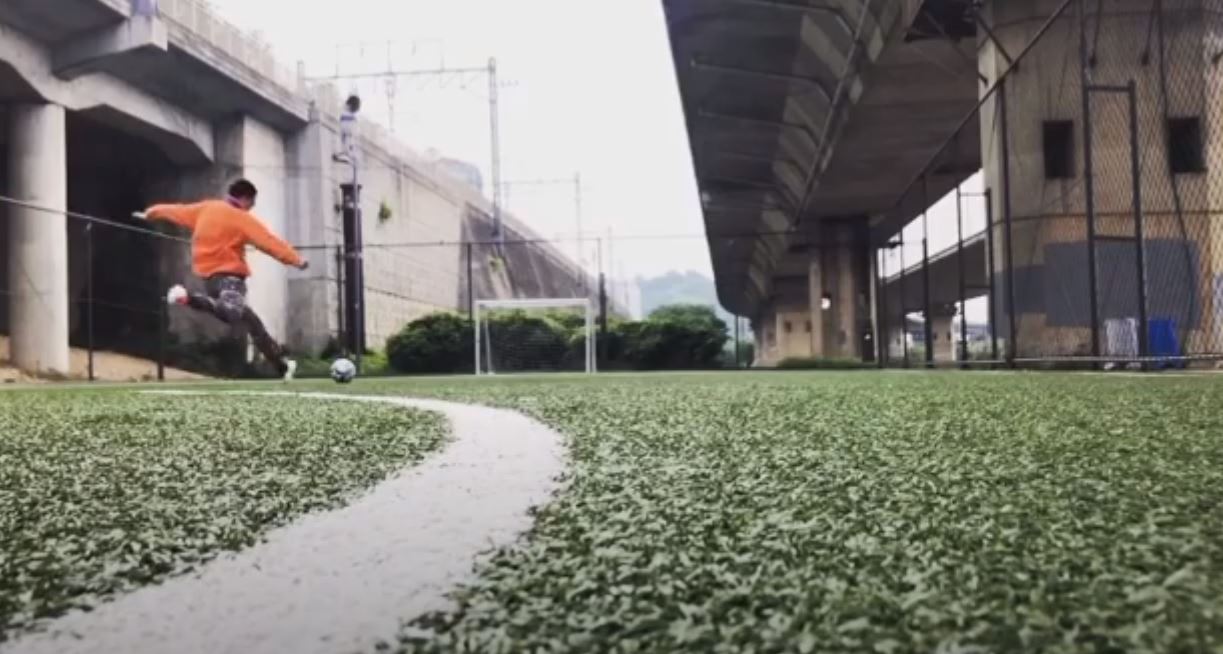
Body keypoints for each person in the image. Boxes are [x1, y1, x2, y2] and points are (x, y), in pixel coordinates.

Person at [140, 179, 307, 381]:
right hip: (230, 278)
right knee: (232, 313)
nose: (251, 208)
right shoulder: (242, 218)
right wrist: (295, 259)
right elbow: (268, 242)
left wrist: (153, 212)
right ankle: (187, 297)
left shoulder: (206, 208)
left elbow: (177, 211)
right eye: (252, 203)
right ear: (245, 199)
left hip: (210, 279)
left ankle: (282, 365)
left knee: (251, 321)